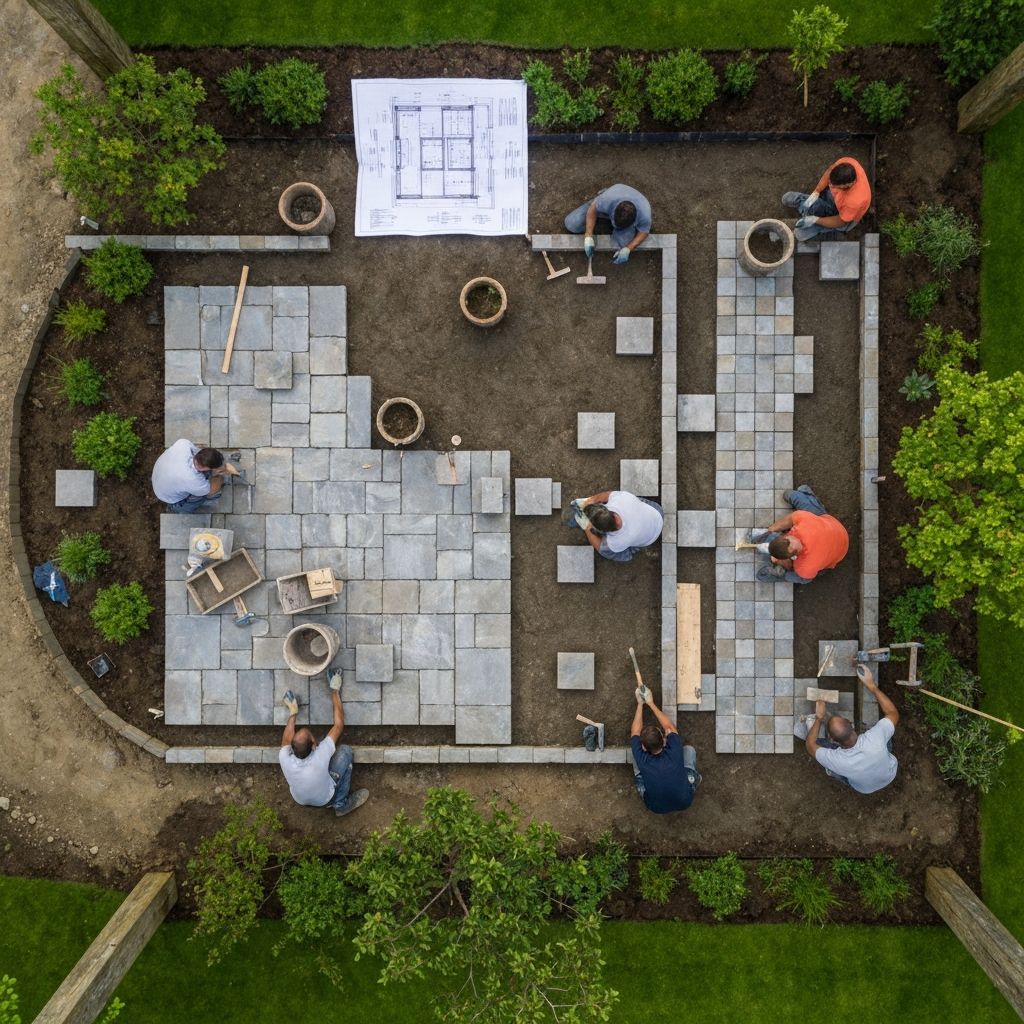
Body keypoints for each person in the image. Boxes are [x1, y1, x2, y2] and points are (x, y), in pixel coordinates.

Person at [794, 665, 898, 794]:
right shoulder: (875, 738)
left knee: (826, 756)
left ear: (832, 740)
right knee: (885, 736)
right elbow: (892, 713)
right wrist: (872, 686)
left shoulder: (837, 760)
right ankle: (882, 752)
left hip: (864, 789)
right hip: (889, 774)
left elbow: (810, 746)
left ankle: (830, 770)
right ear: (852, 725)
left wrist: (819, 718)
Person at [278, 671, 369, 817]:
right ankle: (340, 804)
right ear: (314, 745)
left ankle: (329, 799)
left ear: (292, 748)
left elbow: (286, 739)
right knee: (345, 752)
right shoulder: (320, 755)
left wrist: (293, 712)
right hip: (325, 798)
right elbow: (338, 726)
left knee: (326, 766)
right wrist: (335, 690)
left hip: (301, 799)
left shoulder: (284, 758)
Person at [749, 484, 848, 584]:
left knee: (804, 578)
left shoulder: (803, 566)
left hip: (837, 550)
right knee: (791, 495)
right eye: (786, 537)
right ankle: (807, 497)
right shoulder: (804, 524)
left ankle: (781, 573)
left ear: (791, 557)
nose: (788, 534)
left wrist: (783, 564)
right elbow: (791, 519)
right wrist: (770, 530)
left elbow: (789, 520)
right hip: (832, 527)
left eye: (786, 536)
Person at [630, 686, 700, 813]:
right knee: (689, 750)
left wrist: (640, 704)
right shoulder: (674, 748)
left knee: (634, 757)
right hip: (684, 801)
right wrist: (650, 703)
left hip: (656, 807)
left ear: (644, 747)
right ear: (664, 740)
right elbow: (669, 727)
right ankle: (692, 780)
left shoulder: (642, 757)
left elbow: (635, 732)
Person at [781, 156, 872, 242]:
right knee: (788, 198)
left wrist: (815, 220)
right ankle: (819, 207)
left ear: (848, 185)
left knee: (799, 235)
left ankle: (833, 233)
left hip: (843, 216)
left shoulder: (855, 201)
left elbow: (841, 221)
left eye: (835, 186)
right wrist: (817, 191)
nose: (831, 185)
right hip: (835, 199)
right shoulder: (847, 163)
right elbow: (829, 172)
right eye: (831, 183)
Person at [564, 183, 652, 265]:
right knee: (572, 224)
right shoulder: (607, 199)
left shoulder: (645, 215)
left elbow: (643, 233)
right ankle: (602, 195)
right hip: (611, 196)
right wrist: (588, 235)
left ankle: (622, 234)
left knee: (623, 243)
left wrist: (628, 248)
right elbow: (593, 209)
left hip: (631, 200)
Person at [566, 489, 664, 562]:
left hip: (649, 539)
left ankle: (629, 554)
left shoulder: (616, 542)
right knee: (636, 502)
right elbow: (607, 495)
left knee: (610, 551)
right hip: (657, 512)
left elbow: (600, 547)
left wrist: (586, 526)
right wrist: (591, 500)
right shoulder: (621, 499)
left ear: (604, 531)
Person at [151, 439, 239, 513]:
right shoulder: (192, 480)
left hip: (159, 475)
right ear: (204, 467)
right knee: (200, 496)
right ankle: (175, 509)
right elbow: (212, 490)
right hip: (167, 496)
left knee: (198, 485)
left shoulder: (183, 444)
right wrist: (219, 475)